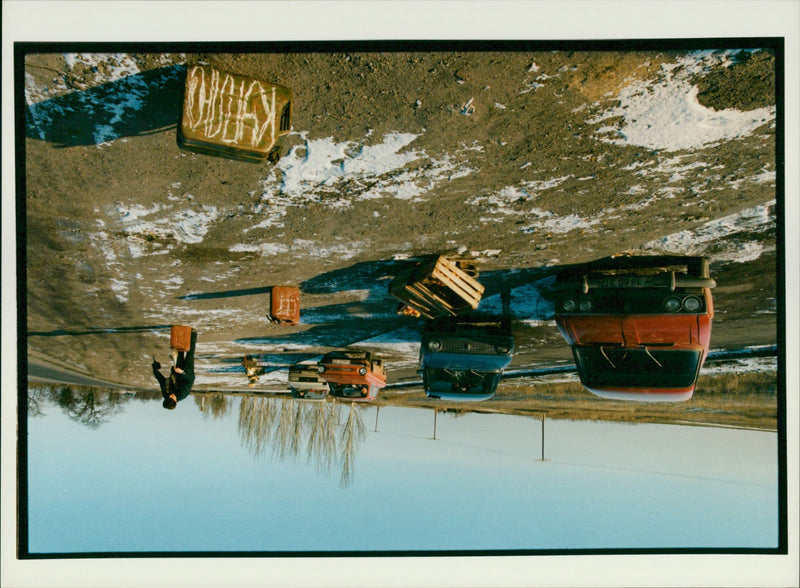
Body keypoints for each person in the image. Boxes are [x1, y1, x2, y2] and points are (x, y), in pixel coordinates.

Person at [152, 329, 197, 409]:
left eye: (169, 397)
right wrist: (183, 372)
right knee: (190, 353)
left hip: (176, 371)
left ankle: (181, 331)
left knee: (179, 350)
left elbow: (162, 381)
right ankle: (193, 332)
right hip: (187, 372)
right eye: (172, 397)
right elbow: (191, 379)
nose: (170, 395)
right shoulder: (183, 394)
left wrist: (155, 370)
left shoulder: (166, 394)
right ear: (175, 401)